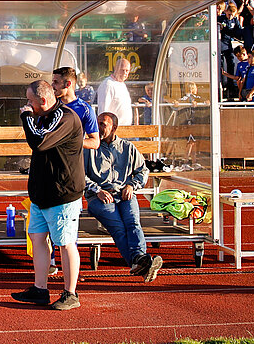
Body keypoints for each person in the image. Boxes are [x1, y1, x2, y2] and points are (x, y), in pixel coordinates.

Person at [15, 79, 84, 310]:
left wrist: (26, 117)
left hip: (62, 194)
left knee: (65, 243)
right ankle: (40, 289)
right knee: (37, 238)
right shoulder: (44, 116)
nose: (27, 105)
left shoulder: (65, 117)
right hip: (41, 194)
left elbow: (39, 142)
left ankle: (70, 293)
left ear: (43, 101)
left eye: (30, 101)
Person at [84, 111, 164, 281]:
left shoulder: (128, 148)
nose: (98, 127)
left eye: (102, 124)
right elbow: (79, 175)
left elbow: (143, 171)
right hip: (99, 197)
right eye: (97, 123)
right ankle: (140, 260)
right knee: (119, 227)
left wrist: (131, 186)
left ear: (114, 128)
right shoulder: (89, 149)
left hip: (124, 193)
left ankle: (138, 262)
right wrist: (97, 190)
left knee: (133, 222)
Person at [51, 66, 100, 149]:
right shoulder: (50, 106)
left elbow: (95, 142)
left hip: (72, 159)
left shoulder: (85, 109)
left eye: (56, 82)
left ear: (68, 84)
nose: (52, 86)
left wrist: (70, 141)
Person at [96, 57, 135, 127]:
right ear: (115, 68)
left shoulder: (122, 84)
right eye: (122, 70)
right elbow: (103, 111)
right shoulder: (108, 84)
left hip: (126, 129)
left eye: (127, 70)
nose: (125, 73)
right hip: (113, 130)